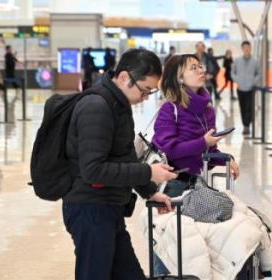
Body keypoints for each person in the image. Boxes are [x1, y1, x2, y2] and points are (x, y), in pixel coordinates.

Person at [63, 49, 177, 279]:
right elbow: (93, 170)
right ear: (124, 77)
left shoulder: (117, 105)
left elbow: (124, 154)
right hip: (90, 209)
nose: (145, 98)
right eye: (144, 90)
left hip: (108, 206)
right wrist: (148, 172)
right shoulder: (97, 107)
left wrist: (149, 191)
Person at [152, 54, 241, 275]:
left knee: (195, 249)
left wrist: (224, 159)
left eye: (200, 66)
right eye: (193, 68)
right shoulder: (169, 109)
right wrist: (203, 142)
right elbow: (169, 149)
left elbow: (208, 151)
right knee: (168, 247)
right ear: (180, 78)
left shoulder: (207, 110)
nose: (201, 70)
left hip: (196, 185)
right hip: (171, 186)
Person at [232, 41, 262, 136]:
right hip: (240, 88)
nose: (246, 49)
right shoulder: (237, 60)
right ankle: (245, 124)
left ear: (250, 48)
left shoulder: (255, 61)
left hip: (251, 89)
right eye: (244, 47)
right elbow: (232, 72)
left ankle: (247, 126)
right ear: (242, 49)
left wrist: (253, 81)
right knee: (243, 107)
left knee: (249, 107)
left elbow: (259, 73)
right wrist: (237, 80)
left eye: (248, 47)